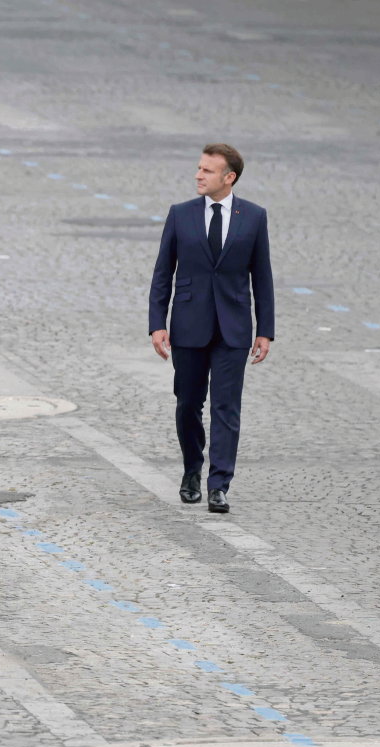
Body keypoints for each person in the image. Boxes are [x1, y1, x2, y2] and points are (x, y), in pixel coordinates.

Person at [148, 142, 274, 514]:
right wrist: (157, 324)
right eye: (199, 168)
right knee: (188, 404)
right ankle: (192, 470)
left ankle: (219, 484)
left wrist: (264, 330)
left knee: (226, 408)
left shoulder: (253, 217)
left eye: (207, 170)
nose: (198, 175)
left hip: (233, 329)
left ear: (228, 177)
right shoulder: (180, 214)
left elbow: (262, 277)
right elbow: (162, 274)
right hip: (188, 326)